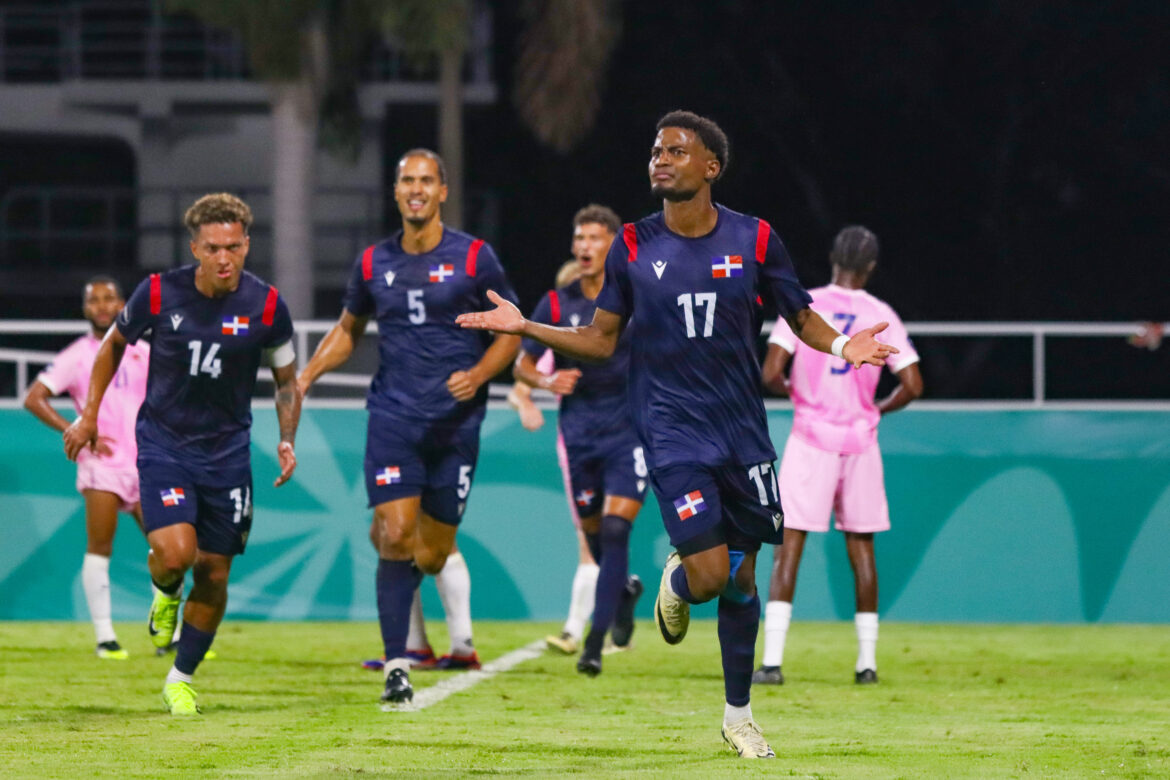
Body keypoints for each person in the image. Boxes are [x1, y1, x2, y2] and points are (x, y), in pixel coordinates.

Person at [457, 110, 896, 759]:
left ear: (711, 167)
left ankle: (739, 717)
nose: (660, 159)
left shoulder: (755, 238)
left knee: (742, 579)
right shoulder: (633, 244)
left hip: (742, 433)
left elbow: (799, 315)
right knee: (713, 575)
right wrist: (527, 327)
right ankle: (685, 581)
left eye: (676, 151)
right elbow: (600, 339)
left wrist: (842, 345)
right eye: (656, 150)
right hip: (670, 430)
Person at [297, 148, 521, 705]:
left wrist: (479, 374)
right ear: (396, 192)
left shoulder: (475, 258)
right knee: (396, 534)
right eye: (407, 181)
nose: (416, 189)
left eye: (426, 180)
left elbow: (511, 330)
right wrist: (305, 377)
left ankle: (424, 610)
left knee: (433, 554)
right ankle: (398, 664)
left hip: (455, 425)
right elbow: (348, 330)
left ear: (443, 191)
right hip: (393, 417)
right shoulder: (373, 262)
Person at [63, 193, 301, 716]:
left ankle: (180, 678)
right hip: (165, 446)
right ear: (195, 248)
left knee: (214, 573)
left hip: (228, 456)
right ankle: (166, 591)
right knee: (176, 556)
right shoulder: (157, 292)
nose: (224, 258)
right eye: (213, 248)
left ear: (246, 245)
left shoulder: (267, 306)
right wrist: (90, 414)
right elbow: (113, 345)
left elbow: (287, 380)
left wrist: (287, 438)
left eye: (233, 247)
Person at [752, 226, 922, 687]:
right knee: (861, 549)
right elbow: (913, 384)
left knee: (790, 544)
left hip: (811, 436)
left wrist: (797, 393)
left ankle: (772, 662)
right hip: (860, 439)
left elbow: (770, 372)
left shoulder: (807, 305)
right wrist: (876, 409)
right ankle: (866, 665)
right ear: (871, 267)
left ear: (833, 257)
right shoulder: (882, 314)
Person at [514, 206, 646, 676]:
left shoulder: (637, 294)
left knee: (615, 531)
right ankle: (623, 594)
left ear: (613, 244)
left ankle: (592, 644)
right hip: (580, 436)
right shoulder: (556, 303)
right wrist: (545, 383)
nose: (585, 246)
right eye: (579, 238)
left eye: (594, 238)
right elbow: (522, 364)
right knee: (595, 538)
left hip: (629, 432)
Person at [25, 277, 149, 660]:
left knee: (166, 549)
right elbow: (34, 397)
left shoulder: (144, 351)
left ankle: (171, 633)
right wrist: (75, 429)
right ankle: (105, 637)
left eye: (109, 298)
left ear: (123, 304)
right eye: (94, 300)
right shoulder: (77, 355)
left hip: (147, 462)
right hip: (102, 464)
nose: (101, 306)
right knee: (100, 547)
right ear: (85, 308)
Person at [507, 259, 608, 656]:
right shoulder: (561, 344)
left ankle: (600, 615)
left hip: (622, 438)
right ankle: (581, 627)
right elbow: (523, 381)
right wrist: (527, 402)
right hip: (578, 444)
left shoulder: (616, 330)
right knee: (591, 537)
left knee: (610, 533)